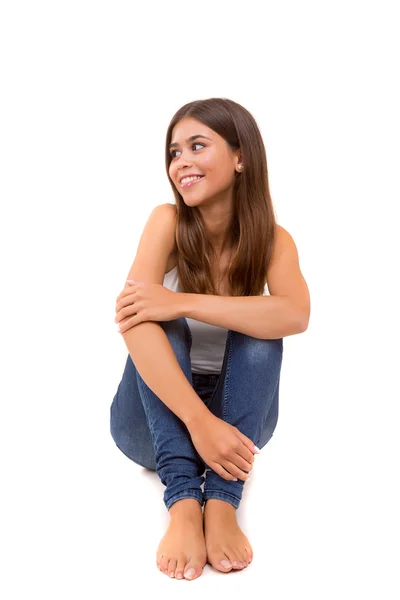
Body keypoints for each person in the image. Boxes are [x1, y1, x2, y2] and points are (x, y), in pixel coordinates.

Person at [110, 97, 310, 581]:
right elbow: (133, 321)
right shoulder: (167, 222)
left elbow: (295, 314)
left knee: (261, 330)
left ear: (240, 157)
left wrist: (183, 300)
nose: (182, 163)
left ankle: (222, 501)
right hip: (152, 421)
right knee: (158, 327)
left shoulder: (272, 240)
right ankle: (182, 502)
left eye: (197, 146)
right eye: (174, 153)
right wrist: (198, 420)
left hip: (237, 422)